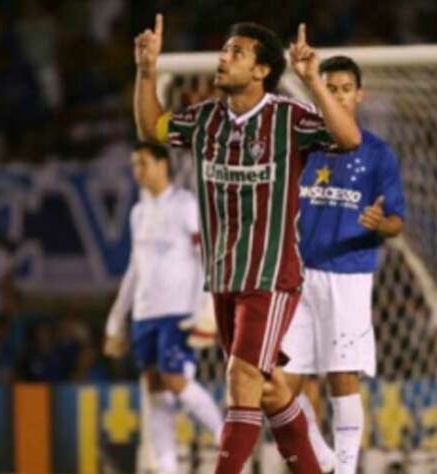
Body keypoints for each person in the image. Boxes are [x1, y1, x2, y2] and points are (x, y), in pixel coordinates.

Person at [133, 14, 362, 473]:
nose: (222, 57)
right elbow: (151, 128)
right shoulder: (205, 120)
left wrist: (313, 81)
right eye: (223, 50)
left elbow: (348, 137)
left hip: (271, 276)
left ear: (260, 70)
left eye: (235, 52)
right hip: (224, 278)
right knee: (271, 388)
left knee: (241, 379)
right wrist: (146, 71)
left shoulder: (287, 118)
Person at [279, 55, 406, 474]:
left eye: (344, 89)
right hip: (298, 278)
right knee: (278, 388)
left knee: (341, 380)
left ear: (359, 94)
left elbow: (397, 223)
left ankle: (346, 470)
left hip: (348, 277)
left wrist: (380, 222)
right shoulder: (303, 145)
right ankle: (325, 457)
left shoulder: (378, 154)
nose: (337, 95)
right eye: (329, 88)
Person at [104, 141, 223, 474]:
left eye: (142, 163)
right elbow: (134, 267)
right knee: (154, 387)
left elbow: (206, 258)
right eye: (134, 164)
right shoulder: (138, 212)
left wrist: (207, 306)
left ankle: (228, 440)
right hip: (145, 313)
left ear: (161, 165)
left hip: (177, 312)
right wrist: (116, 318)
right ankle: (168, 468)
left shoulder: (185, 204)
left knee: (175, 379)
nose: (136, 170)